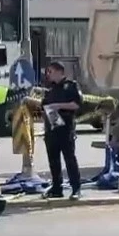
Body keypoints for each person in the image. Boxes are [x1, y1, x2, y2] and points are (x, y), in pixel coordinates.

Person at [40, 61, 84, 200]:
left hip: (65, 129)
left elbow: (76, 104)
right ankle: (56, 188)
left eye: (50, 71)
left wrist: (57, 106)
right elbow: (44, 106)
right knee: (53, 161)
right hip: (51, 130)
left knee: (70, 159)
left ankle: (76, 189)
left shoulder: (71, 86)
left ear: (59, 72)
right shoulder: (50, 89)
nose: (48, 74)